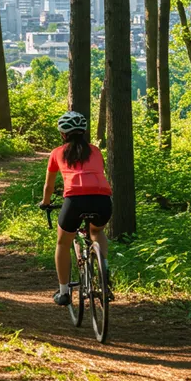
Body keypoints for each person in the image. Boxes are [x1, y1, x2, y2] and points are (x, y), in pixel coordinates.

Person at [40, 111, 112, 306]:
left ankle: (64, 292)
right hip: (103, 200)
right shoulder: (95, 151)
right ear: (83, 131)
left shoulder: (56, 153)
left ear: (63, 134)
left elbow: (49, 186)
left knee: (63, 243)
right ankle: (104, 273)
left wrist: (45, 203)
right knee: (96, 231)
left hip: (75, 201)